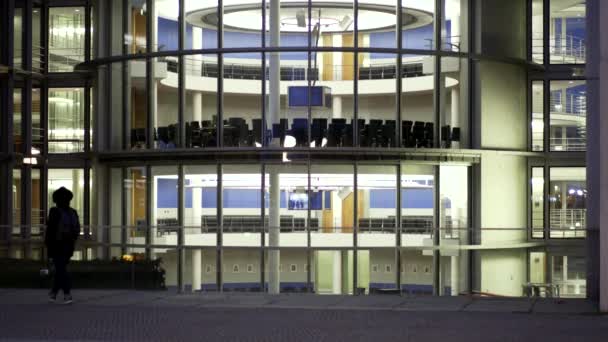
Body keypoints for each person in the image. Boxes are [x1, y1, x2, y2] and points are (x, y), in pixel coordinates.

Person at [44, 187, 80, 304]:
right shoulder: (73, 212)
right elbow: (77, 230)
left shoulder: (54, 211)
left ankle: (66, 294)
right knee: (61, 269)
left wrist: (48, 247)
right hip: (68, 245)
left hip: (58, 245)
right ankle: (55, 294)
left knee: (60, 270)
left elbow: (50, 230)